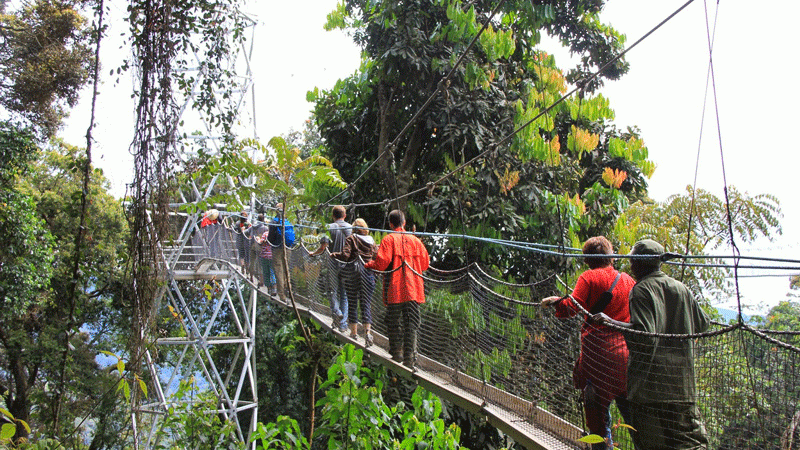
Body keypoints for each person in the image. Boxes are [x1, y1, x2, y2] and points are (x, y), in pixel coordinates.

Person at [593, 239, 710, 450]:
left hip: (650, 389)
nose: (630, 266)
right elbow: (702, 324)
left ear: (640, 264)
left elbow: (645, 337)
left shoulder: (642, 290)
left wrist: (611, 322)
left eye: (632, 261)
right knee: (689, 444)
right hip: (682, 387)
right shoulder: (680, 288)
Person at [541, 236, 634, 450]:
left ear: (587, 259)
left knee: (599, 423)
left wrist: (556, 302)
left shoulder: (589, 278)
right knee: (634, 419)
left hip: (598, 357)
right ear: (611, 256)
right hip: (626, 359)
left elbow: (570, 308)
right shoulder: (629, 281)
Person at [365, 210, 429, 367]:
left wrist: (368, 264)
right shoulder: (416, 241)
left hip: (395, 290)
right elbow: (425, 264)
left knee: (393, 320)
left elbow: (381, 263)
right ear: (404, 222)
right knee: (412, 322)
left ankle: (397, 352)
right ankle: (410, 358)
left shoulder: (389, 239)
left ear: (391, 224)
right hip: (413, 290)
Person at [330, 218, 378, 347]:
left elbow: (345, 255)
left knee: (352, 303)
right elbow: (375, 256)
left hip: (353, 274)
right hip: (368, 274)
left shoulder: (351, 238)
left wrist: (335, 255)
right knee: (366, 304)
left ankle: (354, 333)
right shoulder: (371, 241)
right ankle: (368, 333)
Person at [310, 205, 352, 332]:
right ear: (344, 216)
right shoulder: (350, 228)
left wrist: (313, 254)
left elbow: (323, 247)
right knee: (344, 295)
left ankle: (337, 311)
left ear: (333, 216)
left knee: (332, 291)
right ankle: (343, 325)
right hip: (346, 264)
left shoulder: (328, 227)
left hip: (332, 264)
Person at [267, 204, 293, 303]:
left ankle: (282, 296)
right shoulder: (288, 221)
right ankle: (289, 293)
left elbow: (270, 238)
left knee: (279, 271)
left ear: (276, 211)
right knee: (286, 270)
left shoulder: (274, 222)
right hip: (288, 248)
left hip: (277, 249)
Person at [249, 214, 269, 286]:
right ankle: (261, 281)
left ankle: (251, 277)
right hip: (260, 247)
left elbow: (247, 233)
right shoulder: (265, 228)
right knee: (260, 264)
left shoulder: (252, 227)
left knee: (252, 261)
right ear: (263, 219)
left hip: (252, 245)